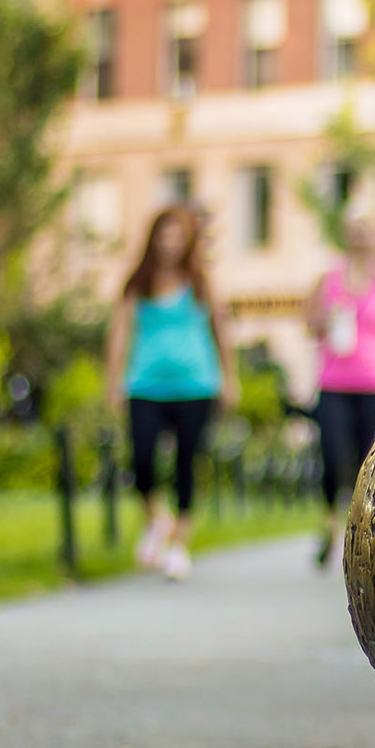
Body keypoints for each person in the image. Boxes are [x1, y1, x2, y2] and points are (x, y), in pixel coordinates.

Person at [106, 205, 238, 582]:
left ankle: (179, 544)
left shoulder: (200, 281)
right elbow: (119, 332)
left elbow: (221, 328)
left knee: (184, 463)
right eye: (164, 235)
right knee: (142, 462)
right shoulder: (138, 282)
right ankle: (156, 520)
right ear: (153, 239)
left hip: (196, 384)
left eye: (177, 236)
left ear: (187, 241)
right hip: (145, 384)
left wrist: (230, 379)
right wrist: (113, 380)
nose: (169, 243)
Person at [308, 207, 375, 569]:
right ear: (346, 235)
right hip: (334, 382)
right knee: (334, 454)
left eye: (367, 229)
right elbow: (309, 323)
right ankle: (328, 523)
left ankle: (359, 532)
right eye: (354, 229)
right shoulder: (329, 279)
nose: (361, 236)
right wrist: (325, 317)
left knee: (368, 460)